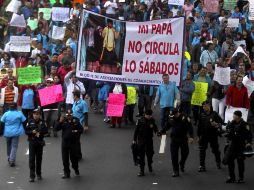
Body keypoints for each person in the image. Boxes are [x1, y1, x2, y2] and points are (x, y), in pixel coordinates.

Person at [160, 106, 194, 177]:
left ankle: (182, 163)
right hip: (174, 139)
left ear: (177, 113)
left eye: (174, 115)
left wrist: (191, 137)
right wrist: (161, 131)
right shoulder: (171, 117)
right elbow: (167, 125)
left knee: (185, 153)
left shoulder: (185, 118)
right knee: (174, 156)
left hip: (183, 139)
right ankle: (176, 171)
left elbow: (190, 127)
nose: (172, 117)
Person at [224, 111, 252, 183]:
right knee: (230, 161)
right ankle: (232, 177)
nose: (233, 117)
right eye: (233, 115)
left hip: (241, 145)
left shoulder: (244, 124)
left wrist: (249, 142)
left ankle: (241, 178)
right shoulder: (232, 123)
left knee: (240, 162)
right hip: (233, 145)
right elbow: (228, 132)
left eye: (234, 116)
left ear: (238, 116)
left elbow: (249, 134)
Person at [56, 109, 83, 179]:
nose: (69, 116)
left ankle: (76, 168)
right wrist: (60, 121)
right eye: (67, 115)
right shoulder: (63, 121)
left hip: (73, 143)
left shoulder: (76, 120)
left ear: (72, 114)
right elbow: (56, 128)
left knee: (74, 159)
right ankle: (66, 173)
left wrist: (75, 132)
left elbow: (81, 130)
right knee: (65, 159)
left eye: (70, 115)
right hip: (65, 143)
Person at [198, 101, 224, 172]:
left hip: (213, 135)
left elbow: (221, 123)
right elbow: (199, 126)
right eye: (203, 106)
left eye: (205, 106)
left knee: (215, 150)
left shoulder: (214, 114)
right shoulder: (201, 115)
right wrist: (198, 136)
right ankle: (202, 165)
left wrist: (216, 124)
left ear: (209, 106)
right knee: (202, 150)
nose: (204, 107)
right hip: (204, 135)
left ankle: (218, 162)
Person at [25, 108, 48, 182]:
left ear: (40, 115)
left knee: (39, 159)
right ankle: (32, 176)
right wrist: (32, 132)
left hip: (39, 142)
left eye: (37, 114)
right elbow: (26, 131)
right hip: (32, 142)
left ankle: (39, 174)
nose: (35, 115)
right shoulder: (30, 121)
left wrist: (40, 132)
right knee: (31, 160)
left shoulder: (43, 122)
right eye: (34, 114)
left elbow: (46, 131)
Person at [133, 109, 158, 176]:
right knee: (141, 156)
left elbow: (155, 127)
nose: (149, 116)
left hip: (149, 140)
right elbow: (136, 131)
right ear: (145, 114)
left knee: (150, 154)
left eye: (150, 115)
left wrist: (157, 132)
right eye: (148, 115)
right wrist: (134, 140)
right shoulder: (140, 121)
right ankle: (142, 171)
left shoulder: (152, 120)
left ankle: (150, 165)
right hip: (141, 140)